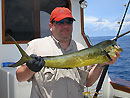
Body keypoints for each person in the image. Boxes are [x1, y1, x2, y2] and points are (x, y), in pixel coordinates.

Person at [16, 7, 120, 98]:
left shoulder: (81, 48)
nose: (65, 26)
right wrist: (30, 69)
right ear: (51, 26)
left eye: (69, 22)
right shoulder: (36, 46)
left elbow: (88, 82)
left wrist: (101, 64)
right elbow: (20, 77)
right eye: (60, 22)